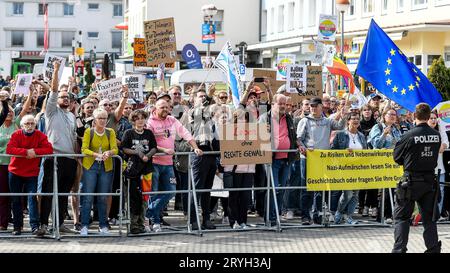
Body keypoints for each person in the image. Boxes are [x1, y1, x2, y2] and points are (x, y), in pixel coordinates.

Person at [392, 103, 441, 253]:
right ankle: (433, 249)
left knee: (402, 218)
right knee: (429, 219)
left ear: (414, 116)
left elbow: (397, 157)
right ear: (428, 117)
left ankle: (399, 250)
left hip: (410, 182)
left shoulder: (408, 135)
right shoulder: (436, 135)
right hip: (429, 182)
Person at [146, 99, 202, 232]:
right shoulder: (150, 122)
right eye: (162, 107)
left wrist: (195, 147)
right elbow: (149, 143)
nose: (165, 109)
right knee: (153, 194)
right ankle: (155, 222)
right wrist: (164, 150)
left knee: (171, 191)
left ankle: (148, 213)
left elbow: (185, 133)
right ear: (155, 108)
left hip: (168, 163)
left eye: (167, 107)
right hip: (154, 163)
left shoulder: (171, 120)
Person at [38, 61, 78, 236]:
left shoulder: (71, 115)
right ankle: (43, 225)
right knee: (48, 192)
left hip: (69, 159)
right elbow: (53, 90)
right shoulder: (51, 111)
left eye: (67, 97)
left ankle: (59, 222)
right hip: (53, 156)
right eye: (62, 97)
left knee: (63, 194)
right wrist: (55, 71)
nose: (65, 99)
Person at [6, 115, 53, 235]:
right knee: (16, 199)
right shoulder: (16, 134)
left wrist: (35, 152)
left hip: (32, 172)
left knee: (32, 198)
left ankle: (34, 227)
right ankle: (17, 226)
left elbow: (49, 149)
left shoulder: (40, 135)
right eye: (27, 124)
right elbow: (10, 149)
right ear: (22, 125)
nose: (30, 126)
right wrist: (26, 152)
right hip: (15, 171)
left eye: (32, 123)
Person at [79, 108, 118, 236]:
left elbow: (115, 149)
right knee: (88, 196)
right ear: (94, 120)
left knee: (103, 197)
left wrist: (109, 153)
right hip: (91, 166)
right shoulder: (88, 132)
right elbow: (84, 149)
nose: (102, 121)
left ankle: (103, 225)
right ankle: (84, 225)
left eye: (105, 118)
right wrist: (96, 154)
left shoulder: (110, 132)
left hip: (106, 167)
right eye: (100, 118)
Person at [121, 110, 157, 234]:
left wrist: (148, 155)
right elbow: (124, 148)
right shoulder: (128, 133)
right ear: (133, 120)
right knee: (133, 198)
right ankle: (133, 224)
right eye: (137, 118)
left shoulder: (149, 133)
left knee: (145, 197)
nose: (140, 120)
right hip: (132, 170)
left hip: (147, 170)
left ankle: (142, 223)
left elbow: (154, 147)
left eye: (142, 118)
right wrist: (137, 152)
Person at [331, 112, 368, 225]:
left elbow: (366, 151)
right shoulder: (340, 134)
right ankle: (339, 211)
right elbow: (332, 151)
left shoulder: (361, 136)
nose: (356, 121)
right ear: (348, 121)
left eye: (357, 119)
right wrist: (344, 152)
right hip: (344, 168)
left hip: (358, 168)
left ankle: (349, 216)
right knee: (348, 194)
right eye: (353, 118)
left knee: (355, 194)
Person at [427, 111, 448, 217]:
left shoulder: (440, 130)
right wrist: (438, 148)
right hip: (427, 169)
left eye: (435, 118)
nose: (433, 120)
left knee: (441, 191)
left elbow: (445, 143)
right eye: (431, 118)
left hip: (440, 168)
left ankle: (437, 214)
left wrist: (442, 146)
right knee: (428, 192)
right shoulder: (424, 131)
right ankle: (427, 214)